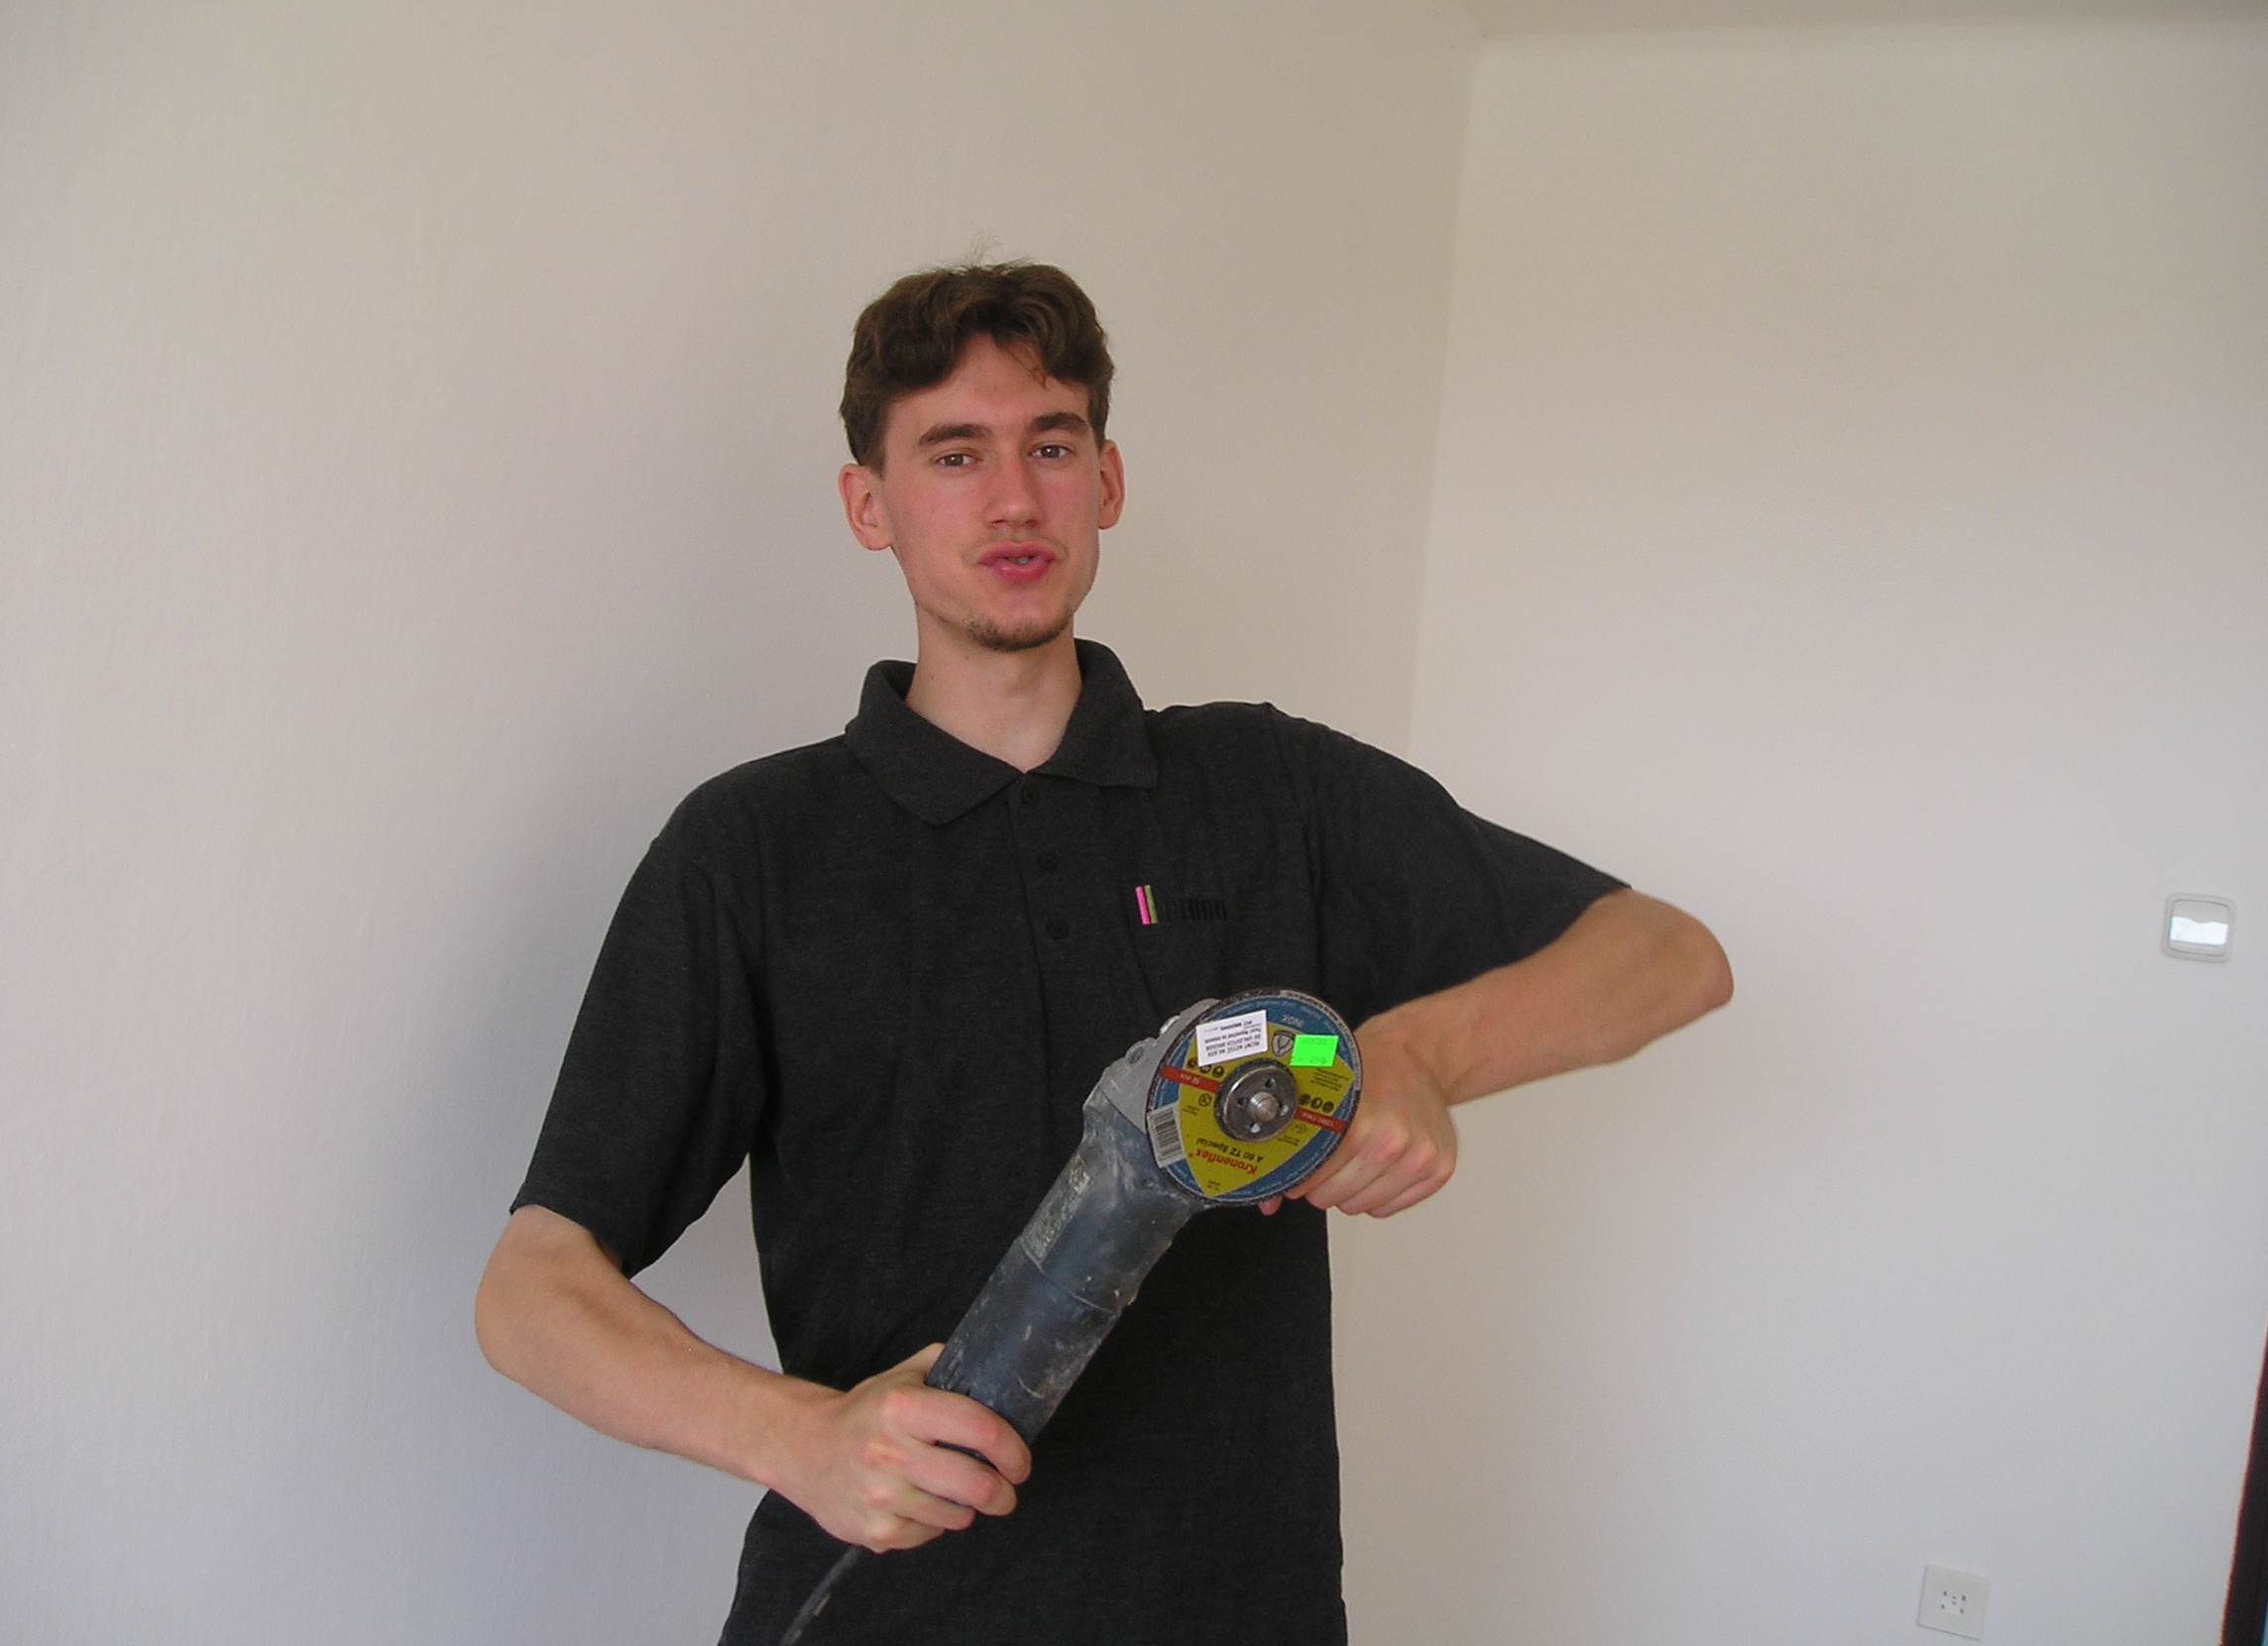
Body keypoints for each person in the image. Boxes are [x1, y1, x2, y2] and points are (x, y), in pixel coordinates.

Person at [476, 262, 1732, 1644]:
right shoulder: (754, 850)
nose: (1015, 499)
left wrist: (1419, 1053)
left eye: (1053, 445)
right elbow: (532, 1289)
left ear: (1107, 481)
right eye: (956, 454)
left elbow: (1665, 954)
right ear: (869, 505)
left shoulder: (1269, 787)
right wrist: (798, 1437)